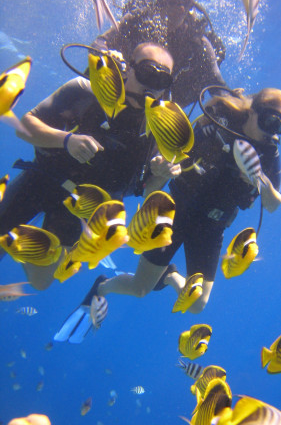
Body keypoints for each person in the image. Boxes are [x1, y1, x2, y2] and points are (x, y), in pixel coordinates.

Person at [90, 87, 281, 313]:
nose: (271, 132)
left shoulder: (268, 153)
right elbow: (177, 152)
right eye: (268, 122)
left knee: (197, 305)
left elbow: (273, 205)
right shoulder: (219, 125)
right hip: (175, 212)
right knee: (140, 288)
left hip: (212, 225)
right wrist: (162, 165)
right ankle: (102, 287)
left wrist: (260, 179)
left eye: (280, 127)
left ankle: (170, 276)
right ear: (252, 112)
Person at [0, 42, 180, 290]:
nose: (152, 86)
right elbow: (25, 127)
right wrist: (66, 140)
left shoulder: (162, 125)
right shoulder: (87, 90)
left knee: (40, 282)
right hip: (42, 180)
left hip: (84, 206)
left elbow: (149, 190)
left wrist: (162, 174)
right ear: (129, 68)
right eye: (147, 73)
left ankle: (19, 242)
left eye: (162, 81)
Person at [92, 0, 226, 107]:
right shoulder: (135, 20)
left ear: (182, 10)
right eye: (154, 0)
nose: (153, 8)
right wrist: (107, 57)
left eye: (160, 3)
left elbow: (217, 86)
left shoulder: (198, 42)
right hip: (126, 92)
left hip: (165, 106)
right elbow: (98, 44)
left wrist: (231, 104)